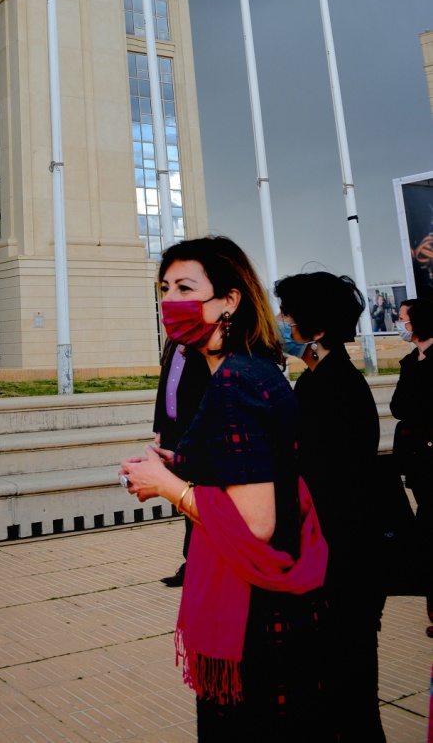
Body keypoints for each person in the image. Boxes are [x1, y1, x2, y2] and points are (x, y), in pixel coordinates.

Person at [120, 236, 329, 742]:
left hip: (258, 616)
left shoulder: (234, 382)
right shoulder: (248, 371)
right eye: (165, 288)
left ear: (230, 300)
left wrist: (168, 486)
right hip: (280, 612)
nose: (171, 301)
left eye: (187, 288)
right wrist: (182, 462)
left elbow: (256, 523)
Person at [274, 270, 386, 742]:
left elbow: (326, 482)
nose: (280, 322)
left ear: (316, 331)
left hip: (342, 566)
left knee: (349, 695)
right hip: (339, 561)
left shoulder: (333, 390)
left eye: (288, 315)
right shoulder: (324, 380)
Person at [153, 336, 211, 586]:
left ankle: (195, 563)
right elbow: (164, 386)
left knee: (194, 497)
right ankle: (193, 561)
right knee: (184, 502)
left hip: (195, 430)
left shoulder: (202, 342)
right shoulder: (170, 342)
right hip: (174, 430)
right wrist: (160, 429)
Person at [391, 296, 433, 638]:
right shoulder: (409, 360)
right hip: (416, 458)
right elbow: (399, 405)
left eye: (403, 318)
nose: (399, 323)